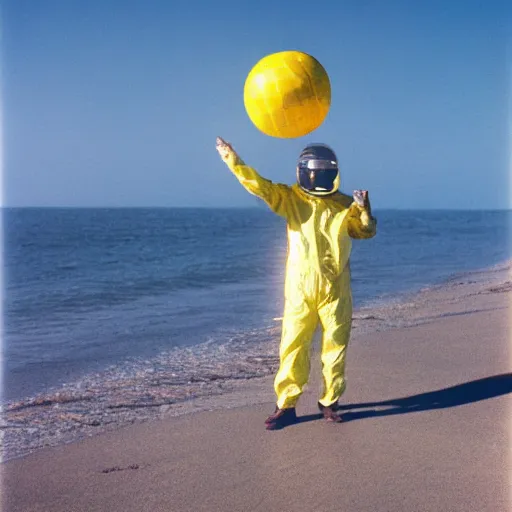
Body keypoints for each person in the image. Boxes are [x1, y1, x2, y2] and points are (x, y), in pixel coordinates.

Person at [215, 136, 377, 430]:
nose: (317, 176)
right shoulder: (292, 199)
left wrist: (364, 209)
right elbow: (260, 186)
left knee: (336, 346)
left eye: (322, 171)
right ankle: (286, 406)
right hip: (300, 288)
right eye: (314, 171)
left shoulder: (344, 206)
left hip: (335, 287)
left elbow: (364, 232)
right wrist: (232, 159)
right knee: (293, 345)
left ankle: (329, 402)